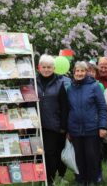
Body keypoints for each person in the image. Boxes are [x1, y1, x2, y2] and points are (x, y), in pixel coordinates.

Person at [67, 61, 107, 185]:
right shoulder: (70, 88)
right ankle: (80, 180)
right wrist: (68, 129)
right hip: (75, 129)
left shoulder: (94, 86)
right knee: (79, 157)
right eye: (77, 71)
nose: (79, 73)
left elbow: (102, 107)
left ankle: (92, 180)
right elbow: (69, 109)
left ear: (86, 72)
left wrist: (102, 126)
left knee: (92, 157)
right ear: (74, 73)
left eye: (82, 71)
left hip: (92, 128)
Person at [36, 54, 68, 185]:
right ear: (39, 68)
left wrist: (63, 126)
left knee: (50, 153)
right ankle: (39, 178)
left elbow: (65, 106)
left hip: (52, 125)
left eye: (49, 67)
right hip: (36, 124)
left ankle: (49, 179)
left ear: (54, 68)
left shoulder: (60, 83)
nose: (46, 69)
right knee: (37, 152)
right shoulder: (33, 81)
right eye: (44, 67)